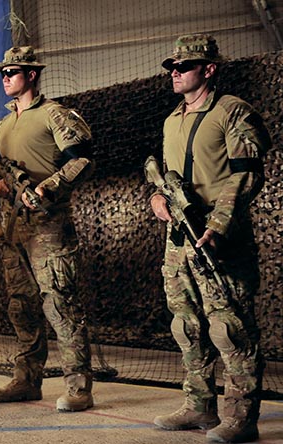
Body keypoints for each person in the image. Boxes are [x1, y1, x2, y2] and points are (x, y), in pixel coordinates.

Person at [150, 34, 270, 443]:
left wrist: (218, 224)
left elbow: (246, 172)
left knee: (229, 328)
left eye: (184, 66)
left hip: (220, 237)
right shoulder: (171, 120)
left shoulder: (232, 111)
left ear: (209, 69)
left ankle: (240, 416)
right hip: (178, 241)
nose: (175, 72)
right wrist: (156, 199)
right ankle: (198, 405)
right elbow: (166, 178)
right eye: (172, 67)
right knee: (186, 325)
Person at [0, 46, 95, 412]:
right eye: (3, 73)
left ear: (32, 75)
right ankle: (26, 379)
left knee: (60, 303)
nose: (6, 78)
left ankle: (78, 387)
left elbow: (82, 158)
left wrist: (47, 187)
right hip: (13, 227)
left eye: (13, 72)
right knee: (21, 305)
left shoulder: (54, 114)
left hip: (48, 224)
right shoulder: (2, 125)